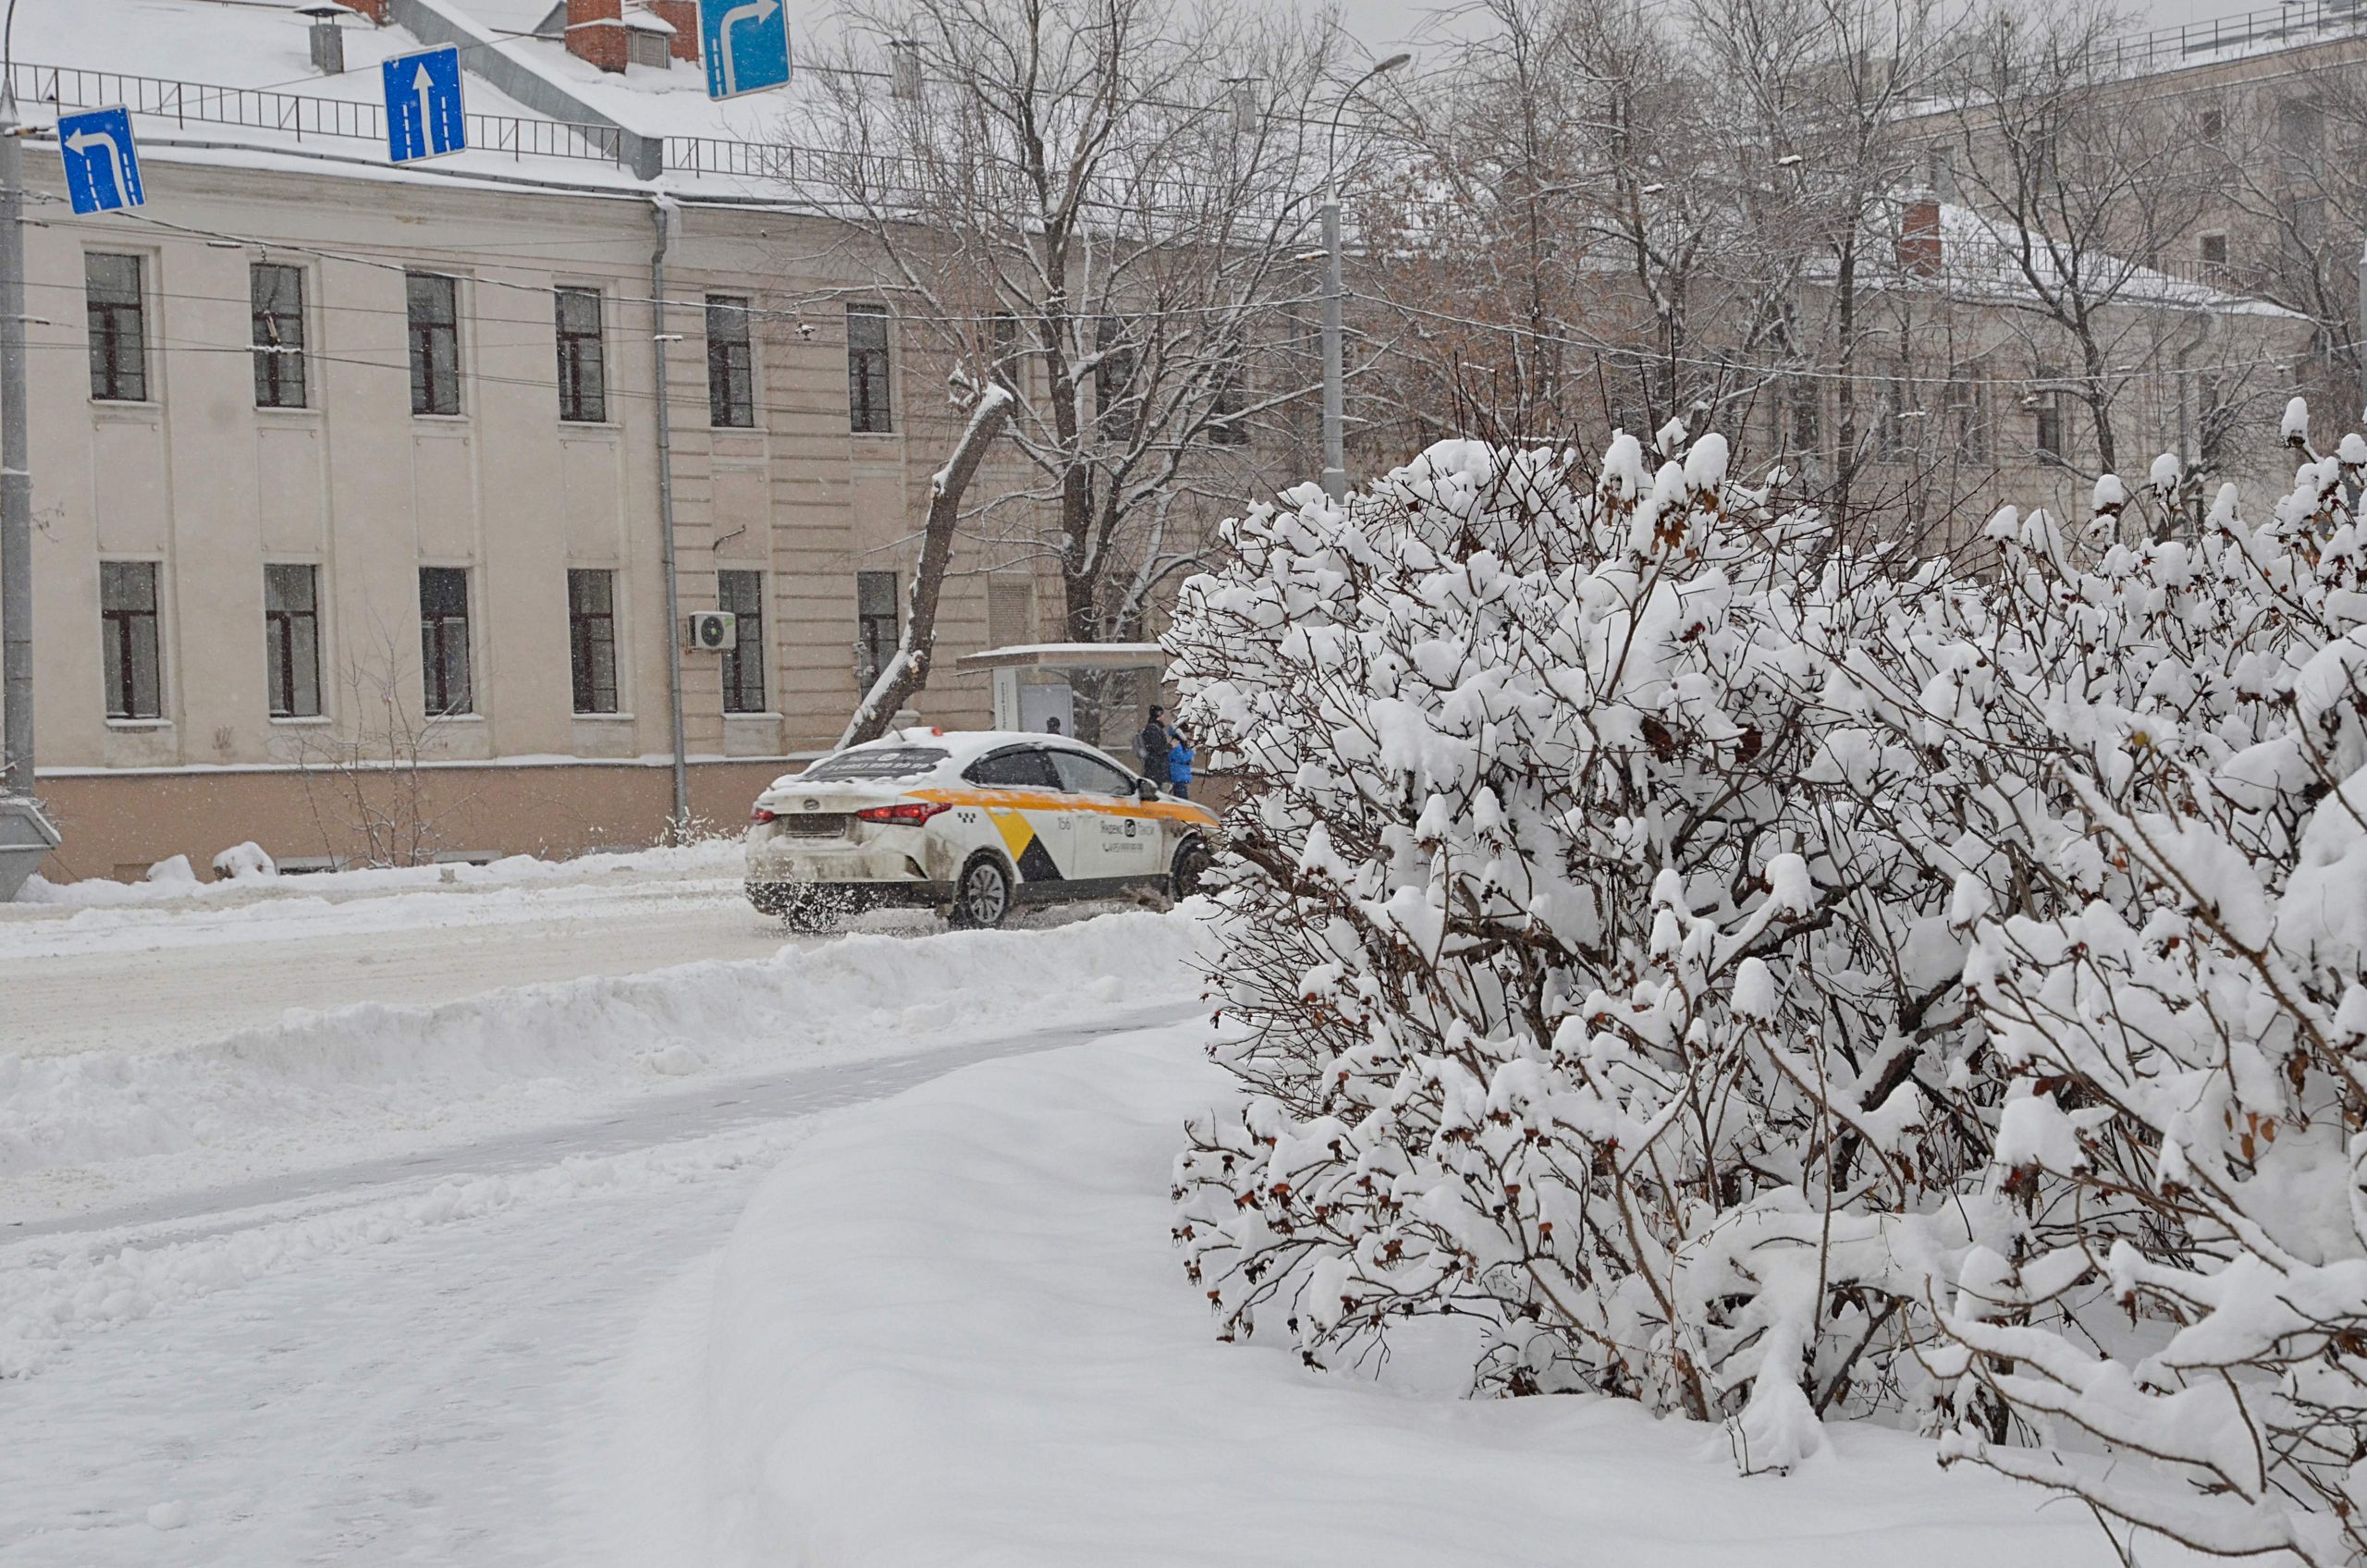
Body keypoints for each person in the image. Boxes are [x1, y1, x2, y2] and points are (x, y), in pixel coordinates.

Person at [1136, 705, 1173, 786]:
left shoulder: (1154, 728)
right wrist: (1170, 746)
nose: (1164, 716)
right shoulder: (1153, 729)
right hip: (1156, 770)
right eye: (1162, 714)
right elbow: (1158, 749)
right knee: (1157, 794)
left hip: (1156, 770)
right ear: (1158, 715)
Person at [1167, 725, 1196, 800]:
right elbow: (1182, 758)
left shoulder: (1177, 743)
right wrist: (1192, 751)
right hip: (1179, 777)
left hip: (1179, 777)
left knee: (1180, 800)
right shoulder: (1177, 744)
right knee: (1183, 801)